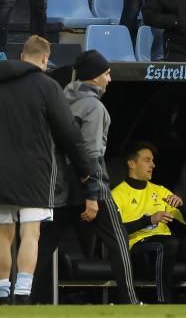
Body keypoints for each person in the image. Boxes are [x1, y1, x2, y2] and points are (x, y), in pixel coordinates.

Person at [0, 35, 92, 305]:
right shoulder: (47, 86)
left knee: (3, 235)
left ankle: (0, 293)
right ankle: (22, 292)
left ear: (21, 56)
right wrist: (84, 168)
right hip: (35, 173)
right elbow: (68, 132)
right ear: (45, 59)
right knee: (30, 233)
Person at [32, 50, 140, 304]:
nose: (110, 79)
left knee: (43, 246)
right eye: (106, 73)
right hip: (92, 187)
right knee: (119, 241)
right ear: (93, 77)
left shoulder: (60, 100)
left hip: (60, 186)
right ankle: (130, 302)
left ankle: (26, 300)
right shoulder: (94, 107)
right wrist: (92, 195)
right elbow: (91, 154)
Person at [111, 142, 186, 304]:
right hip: (138, 250)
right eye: (147, 160)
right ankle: (162, 302)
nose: (153, 165)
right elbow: (116, 230)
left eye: (153, 160)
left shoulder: (160, 190)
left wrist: (182, 205)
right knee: (167, 244)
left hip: (168, 247)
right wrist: (149, 220)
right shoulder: (118, 194)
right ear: (132, 164)